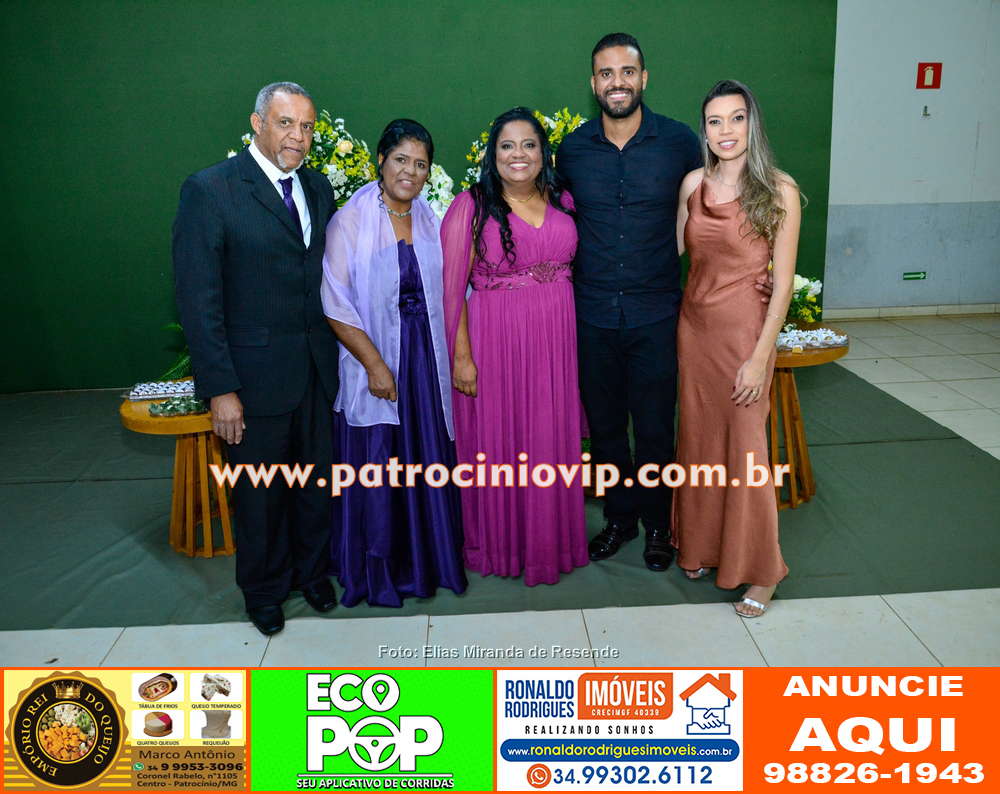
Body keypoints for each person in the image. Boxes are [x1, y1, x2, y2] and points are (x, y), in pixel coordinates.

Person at [173, 82, 340, 636]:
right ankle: (264, 591)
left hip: (316, 369)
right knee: (260, 494)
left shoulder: (317, 187)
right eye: (286, 123)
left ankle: (312, 574)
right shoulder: (210, 190)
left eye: (307, 127)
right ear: (257, 122)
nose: (298, 136)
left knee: (315, 486)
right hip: (253, 379)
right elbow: (198, 300)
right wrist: (220, 388)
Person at [556, 33, 702, 571]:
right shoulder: (572, 149)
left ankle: (659, 525)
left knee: (657, 427)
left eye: (626, 72)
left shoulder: (680, 142)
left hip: (657, 312)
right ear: (593, 83)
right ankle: (619, 520)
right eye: (606, 73)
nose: (616, 82)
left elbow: (703, 212)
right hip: (592, 313)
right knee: (607, 427)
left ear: (643, 78)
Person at [321, 119, 467, 607]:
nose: (410, 171)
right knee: (381, 463)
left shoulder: (431, 217)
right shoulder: (350, 221)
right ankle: (379, 569)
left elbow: (453, 291)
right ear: (380, 161)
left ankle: (430, 559)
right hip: (376, 361)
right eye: (401, 159)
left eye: (421, 164)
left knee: (425, 462)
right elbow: (335, 303)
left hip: (425, 364)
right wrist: (376, 366)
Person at [441, 107, 589, 586]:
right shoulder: (471, 206)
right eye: (507, 145)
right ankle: (501, 546)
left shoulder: (563, 198)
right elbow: (451, 291)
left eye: (529, 144)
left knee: (548, 440)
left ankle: (550, 544)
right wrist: (462, 357)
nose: (518, 154)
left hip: (556, 343)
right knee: (500, 443)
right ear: (493, 154)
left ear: (543, 152)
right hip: (496, 343)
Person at [672, 79, 801, 617]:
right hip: (694, 331)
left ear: (753, 123)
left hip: (746, 335)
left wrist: (759, 357)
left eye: (736, 118)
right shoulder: (693, 184)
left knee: (747, 450)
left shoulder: (779, 190)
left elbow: (784, 283)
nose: (726, 130)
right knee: (700, 441)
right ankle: (702, 546)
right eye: (715, 121)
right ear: (703, 130)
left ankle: (763, 571)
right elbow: (673, 252)